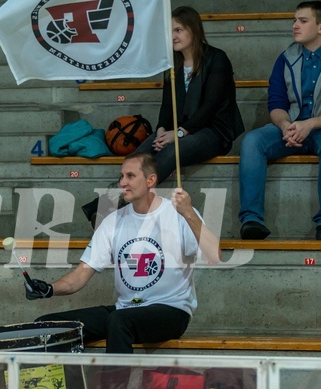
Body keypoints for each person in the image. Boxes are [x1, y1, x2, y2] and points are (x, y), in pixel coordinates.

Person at [26, 152, 221, 389]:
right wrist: (49, 289)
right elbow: (81, 274)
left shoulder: (177, 213)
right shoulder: (114, 221)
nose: (123, 183)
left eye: (130, 176)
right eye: (121, 176)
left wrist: (189, 211)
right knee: (50, 325)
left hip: (171, 310)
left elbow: (215, 255)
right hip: (126, 310)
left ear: (151, 180)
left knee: (120, 321)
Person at [83, 6, 244, 230]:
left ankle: (107, 208)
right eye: (170, 31)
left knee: (171, 151)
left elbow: (210, 107)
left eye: (178, 30)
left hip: (213, 130)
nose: (173, 36)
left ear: (194, 30)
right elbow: (168, 103)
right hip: (180, 129)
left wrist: (178, 133)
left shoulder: (217, 59)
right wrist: (160, 129)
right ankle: (109, 205)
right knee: (139, 156)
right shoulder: (172, 63)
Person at [239, 1, 321, 240]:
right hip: (292, 127)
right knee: (253, 140)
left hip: (317, 127)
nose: (295, 25)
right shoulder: (286, 58)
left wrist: (310, 124)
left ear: (319, 27)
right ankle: (251, 219)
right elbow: (276, 104)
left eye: (303, 21)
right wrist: (286, 125)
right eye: (294, 20)